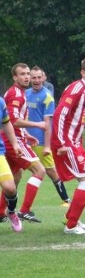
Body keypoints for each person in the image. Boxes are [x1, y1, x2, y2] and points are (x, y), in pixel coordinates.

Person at [52, 56, 85, 235]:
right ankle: (71, 225)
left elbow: (79, 120)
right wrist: (61, 143)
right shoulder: (77, 89)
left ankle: (71, 216)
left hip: (75, 142)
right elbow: (59, 115)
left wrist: (78, 141)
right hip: (66, 143)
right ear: (83, 72)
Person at [0, 63, 47, 224]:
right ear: (14, 77)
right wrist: (38, 125)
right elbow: (12, 121)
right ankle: (25, 211)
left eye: (28, 73)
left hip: (15, 138)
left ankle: (0, 212)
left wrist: (26, 134)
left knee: (16, 176)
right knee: (39, 171)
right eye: (22, 74)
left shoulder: (19, 93)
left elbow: (11, 120)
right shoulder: (16, 94)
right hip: (13, 141)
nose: (27, 77)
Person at [26, 66, 71, 207]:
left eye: (39, 77)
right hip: (24, 140)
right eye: (33, 77)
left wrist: (47, 146)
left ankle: (66, 200)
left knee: (51, 171)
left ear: (44, 78)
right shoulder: (25, 94)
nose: (36, 80)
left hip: (39, 142)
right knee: (14, 171)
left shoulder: (47, 97)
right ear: (29, 79)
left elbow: (48, 123)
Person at [0, 97, 24, 232]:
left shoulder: (1, 102)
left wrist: (15, 144)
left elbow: (7, 122)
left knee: (10, 188)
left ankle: (11, 211)